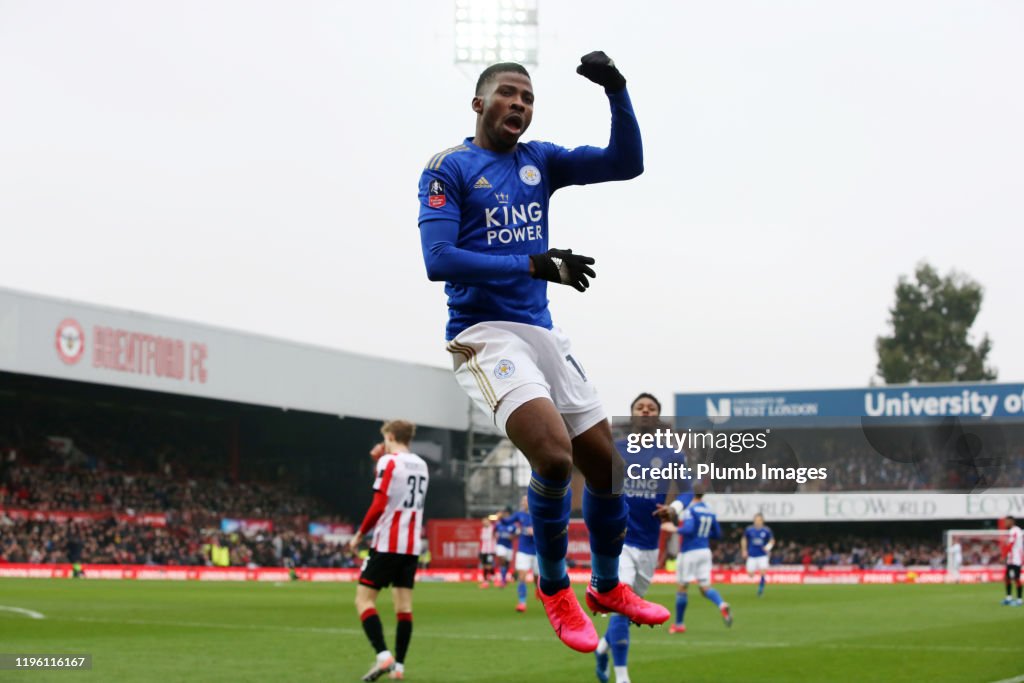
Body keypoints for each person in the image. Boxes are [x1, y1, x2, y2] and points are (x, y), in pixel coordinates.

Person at [417, 52, 667, 653]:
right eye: (509, 94)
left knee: (606, 466)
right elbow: (438, 260)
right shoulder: (447, 168)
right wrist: (532, 262)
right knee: (555, 459)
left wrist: (617, 89)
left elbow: (626, 163)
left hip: (543, 333)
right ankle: (555, 588)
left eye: (528, 98)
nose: (521, 106)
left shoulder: (540, 161)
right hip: (485, 333)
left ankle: (607, 586)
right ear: (480, 104)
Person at [594, 393, 692, 683]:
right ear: (633, 414)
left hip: (649, 544)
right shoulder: (616, 449)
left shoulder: (672, 454)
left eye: (651, 408)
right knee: (622, 604)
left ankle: (602, 649)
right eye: (640, 407)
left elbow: (687, 490)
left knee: (627, 612)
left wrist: (674, 509)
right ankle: (622, 677)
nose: (646, 411)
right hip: (618, 540)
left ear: (658, 418)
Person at [349, 421, 430, 681]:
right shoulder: (422, 465)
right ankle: (400, 667)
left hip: (387, 544)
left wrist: (360, 534)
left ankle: (383, 656)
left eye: (384, 437)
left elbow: (379, 503)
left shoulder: (388, 462)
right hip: (410, 545)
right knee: (404, 607)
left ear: (391, 436)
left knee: (363, 600)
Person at [670, 490, 732, 634]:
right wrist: (703, 534)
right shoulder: (710, 511)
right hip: (705, 551)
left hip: (689, 552)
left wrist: (674, 528)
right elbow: (718, 534)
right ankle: (722, 604)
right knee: (705, 587)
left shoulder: (690, 510)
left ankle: (679, 624)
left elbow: (688, 529)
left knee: (682, 587)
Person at [511, 494, 537, 612]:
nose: (523, 503)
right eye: (522, 501)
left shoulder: (539, 514)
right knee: (522, 576)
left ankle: (538, 589)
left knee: (538, 578)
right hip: (523, 550)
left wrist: (536, 531)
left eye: (525, 501)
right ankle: (522, 602)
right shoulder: (519, 515)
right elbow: (508, 522)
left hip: (537, 551)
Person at [741, 513, 775, 597]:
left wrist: (768, 547)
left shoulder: (766, 530)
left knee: (763, 572)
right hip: (752, 555)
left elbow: (772, 540)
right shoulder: (749, 530)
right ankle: (759, 582)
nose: (757, 521)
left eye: (759, 520)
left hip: (762, 555)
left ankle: (760, 589)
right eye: (756, 520)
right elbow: (744, 539)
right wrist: (744, 550)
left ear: (762, 521)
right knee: (750, 574)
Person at [493, 506, 517, 586]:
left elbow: (517, 533)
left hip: (509, 546)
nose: (505, 514)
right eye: (504, 513)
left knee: (506, 563)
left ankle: (504, 578)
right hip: (500, 544)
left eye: (506, 513)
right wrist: (494, 536)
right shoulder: (499, 524)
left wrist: (513, 536)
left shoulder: (513, 525)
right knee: (501, 558)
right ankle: (502, 581)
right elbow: (494, 530)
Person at [1001, 516, 1023, 606]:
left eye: (1007, 521)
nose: (1005, 523)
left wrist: (1004, 555)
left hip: (1016, 558)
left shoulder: (1015, 531)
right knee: (1007, 578)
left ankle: (1019, 599)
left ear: (1011, 521)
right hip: (1011, 558)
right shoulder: (1013, 531)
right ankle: (1009, 598)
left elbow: (1011, 544)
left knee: (1017, 578)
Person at [478, 516, 497, 588]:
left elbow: (495, 535)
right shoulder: (482, 529)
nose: (484, 522)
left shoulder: (493, 528)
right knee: (485, 566)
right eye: (483, 521)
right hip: (484, 551)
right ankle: (488, 581)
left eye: (485, 521)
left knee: (489, 566)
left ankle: (491, 580)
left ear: (489, 521)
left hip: (491, 551)